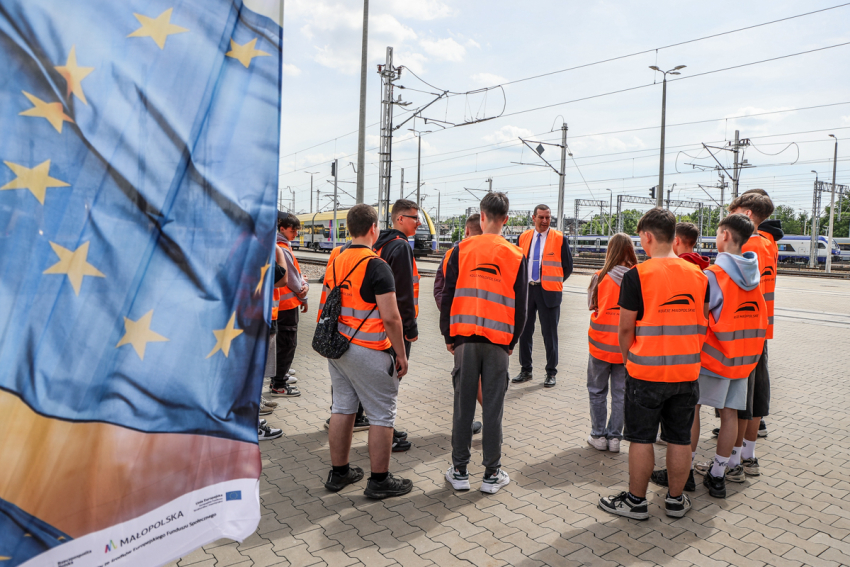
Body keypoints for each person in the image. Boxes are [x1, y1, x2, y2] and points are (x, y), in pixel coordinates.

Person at [598, 208, 708, 520]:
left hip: (645, 371)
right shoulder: (699, 276)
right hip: (686, 372)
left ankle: (636, 501)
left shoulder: (638, 276)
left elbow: (624, 328)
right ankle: (675, 501)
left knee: (641, 439)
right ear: (674, 237)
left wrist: (628, 359)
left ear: (647, 237)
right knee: (679, 438)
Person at [323, 204, 413, 499]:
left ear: (349, 228)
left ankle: (339, 473)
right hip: (370, 349)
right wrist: (400, 353)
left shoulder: (336, 258)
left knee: (342, 408)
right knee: (382, 415)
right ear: (374, 228)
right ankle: (379, 480)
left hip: (339, 348)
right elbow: (391, 317)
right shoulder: (376, 265)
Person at [442, 192, 528, 494]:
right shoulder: (516, 255)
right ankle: (492, 474)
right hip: (498, 342)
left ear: (481, 216)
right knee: (493, 409)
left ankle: (460, 471)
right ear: (506, 219)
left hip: (464, 340)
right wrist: (512, 341)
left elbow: (448, 296)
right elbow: (522, 307)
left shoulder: (461, 249)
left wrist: (448, 336)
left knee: (463, 407)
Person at [689, 214, 767, 498]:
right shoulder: (754, 275)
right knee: (730, 415)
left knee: (693, 409)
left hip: (713, 358)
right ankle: (719, 475)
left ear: (724, 235)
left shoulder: (714, 275)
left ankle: (684, 470)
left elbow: (700, 317)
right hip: (742, 360)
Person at [725, 190, 779, 477]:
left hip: (742, 333)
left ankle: (732, 464)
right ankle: (749, 456)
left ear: (745, 215)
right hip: (762, 328)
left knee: (739, 402)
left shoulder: (747, 246)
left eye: (732, 211)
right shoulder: (769, 244)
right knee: (757, 395)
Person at [375, 199, 422, 452]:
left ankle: (386, 428)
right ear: (400, 219)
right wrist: (410, 330)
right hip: (396, 326)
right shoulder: (401, 247)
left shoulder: (381, 244)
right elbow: (403, 293)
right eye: (415, 218)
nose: (419, 222)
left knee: (379, 381)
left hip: (376, 323)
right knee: (391, 382)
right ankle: (386, 434)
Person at [585, 233, 637, 453]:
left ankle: (598, 436)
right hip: (625, 348)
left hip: (599, 346)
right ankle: (615, 438)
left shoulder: (600, 276)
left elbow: (591, 305)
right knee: (620, 393)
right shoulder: (637, 278)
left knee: (597, 391)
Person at [512, 205, 573, 387]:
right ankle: (526, 370)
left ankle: (551, 372)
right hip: (527, 291)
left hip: (549, 293)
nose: (545, 221)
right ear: (534, 218)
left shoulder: (560, 238)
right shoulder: (523, 237)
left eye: (548, 217)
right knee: (524, 332)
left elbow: (567, 267)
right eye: (541, 217)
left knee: (550, 334)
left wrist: (554, 282)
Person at [435, 214, 483, 435]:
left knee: (464, 379)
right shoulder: (501, 253)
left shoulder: (451, 255)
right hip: (492, 331)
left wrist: (449, 326)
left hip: (461, 331)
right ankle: (491, 419)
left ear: (465, 230)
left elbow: (440, 291)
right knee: (482, 380)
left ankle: (464, 426)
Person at [269, 213, 308, 398]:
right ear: (282, 228)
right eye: (293, 230)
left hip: (281, 304)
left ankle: (279, 376)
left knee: (281, 344)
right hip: (286, 304)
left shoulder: (279, 246)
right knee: (287, 344)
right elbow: (292, 279)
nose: (295, 234)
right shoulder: (281, 248)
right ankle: (279, 383)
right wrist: (304, 291)